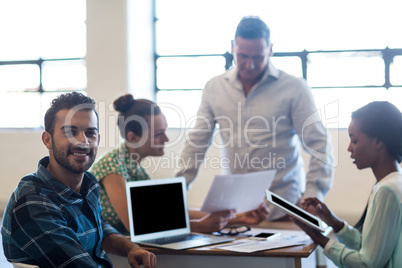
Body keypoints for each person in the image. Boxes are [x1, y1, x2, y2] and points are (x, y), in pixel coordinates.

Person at [175, 16, 334, 220]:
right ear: (232, 48)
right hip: (235, 210)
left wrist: (312, 197)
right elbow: (196, 145)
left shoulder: (295, 88)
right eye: (242, 56)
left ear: (270, 50)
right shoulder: (214, 88)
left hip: (286, 208)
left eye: (258, 57)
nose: (249, 65)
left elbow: (319, 144)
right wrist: (176, 192)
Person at [1, 92, 156, 268]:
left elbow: (98, 228)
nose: (83, 142)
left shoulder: (88, 184)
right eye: (70, 132)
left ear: (98, 139)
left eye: (90, 133)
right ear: (47, 139)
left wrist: (131, 249)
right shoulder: (33, 201)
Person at [91, 94, 269, 235]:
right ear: (133, 138)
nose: (166, 138)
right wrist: (199, 226)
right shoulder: (112, 168)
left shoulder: (136, 169)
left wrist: (239, 217)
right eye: (158, 134)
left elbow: (171, 214)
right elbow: (137, 226)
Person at [294, 101, 402, 267]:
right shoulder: (393, 182)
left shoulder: (387, 190)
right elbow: (371, 248)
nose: (349, 148)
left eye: (355, 140)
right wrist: (334, 222)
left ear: (378, 141)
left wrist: (318, 238)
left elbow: (367, 263)